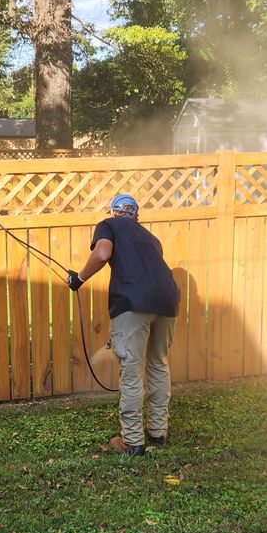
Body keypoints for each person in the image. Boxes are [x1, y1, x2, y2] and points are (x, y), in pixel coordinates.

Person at [68, 193, 180, 456]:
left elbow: (103, 252)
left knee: (131, 369)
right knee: (158, 363)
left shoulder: (109, 225)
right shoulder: (152, 239)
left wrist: (79, 279)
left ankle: (132, 441)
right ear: (136, 214)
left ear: (114, 211)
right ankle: (158, 432)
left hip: (133, 301)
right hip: (168, 300)